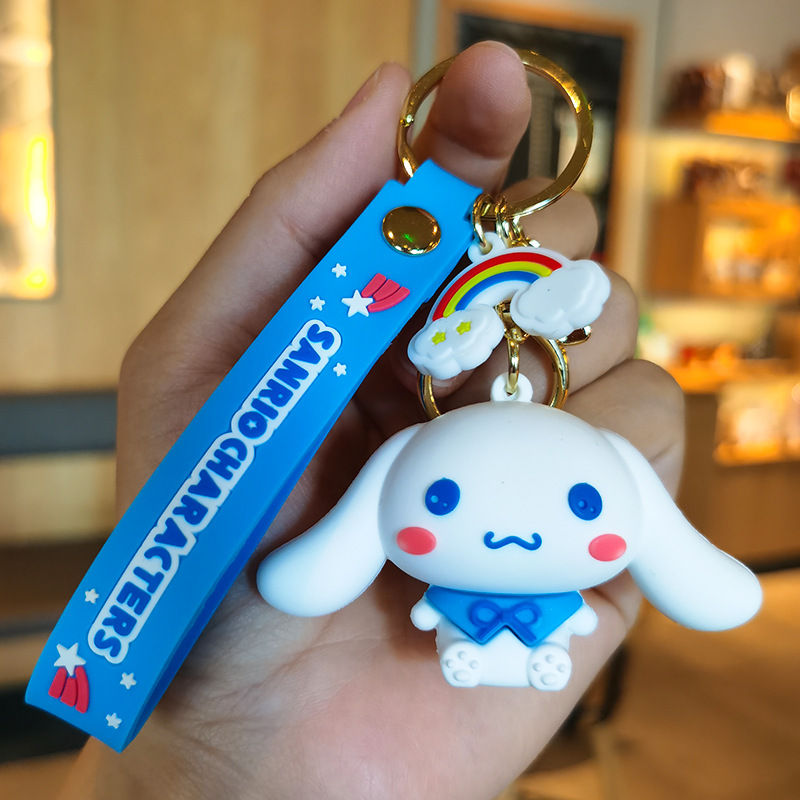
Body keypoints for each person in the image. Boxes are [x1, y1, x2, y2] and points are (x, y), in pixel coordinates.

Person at [58, 42, 683, 800]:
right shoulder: (411, 453)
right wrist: (202, 761)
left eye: (587, 505)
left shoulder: (448, 446)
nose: (510, 538)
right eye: (439, 499)